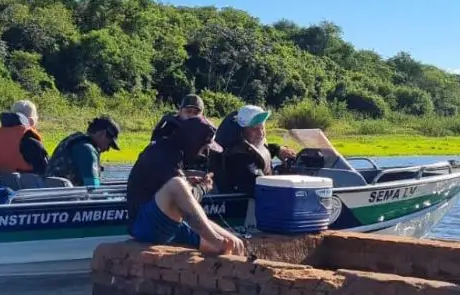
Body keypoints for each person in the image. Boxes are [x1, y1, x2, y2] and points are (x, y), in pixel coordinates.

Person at [126, 114, 246, 255]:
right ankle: (215, 240)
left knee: (233, 243)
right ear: (194, 142)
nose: (204, 153)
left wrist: (189, 183)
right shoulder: (162, 153)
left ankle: (221, 243)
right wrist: (203, 187)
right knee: (177, 184)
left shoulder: (175, 152)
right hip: (144, 224)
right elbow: (181, 194)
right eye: (204, 147)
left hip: (168, 221)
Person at [211, 105, 297, 195]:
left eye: (262, 127)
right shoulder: (239, 157)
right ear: (242, 131)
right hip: (245, 202)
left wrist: (277, 149)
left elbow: (258, 152)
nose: (260, 133)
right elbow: (260, 186)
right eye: (254, 129)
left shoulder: (249, 145)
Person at [47, 116, 121, 187]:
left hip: (50, 192)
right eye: (109, 144)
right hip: (66, 195)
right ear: (103, 134)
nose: (108, 149)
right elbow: (93, 188)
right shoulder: (87, 150)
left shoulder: (73, 141)